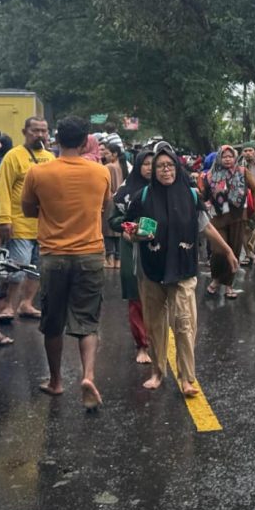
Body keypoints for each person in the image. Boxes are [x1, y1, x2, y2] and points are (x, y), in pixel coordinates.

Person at [127, 144, 237, 396]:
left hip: (184, 268)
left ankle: (187, 378)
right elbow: (128, 228)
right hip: (152, 269)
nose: (165, 170)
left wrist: (228, 251)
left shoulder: (191, 195)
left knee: (185, 324)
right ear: (153, 171)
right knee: (155, 325)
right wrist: (135, 234)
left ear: (177, 167)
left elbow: (205, 227)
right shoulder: (143, 197)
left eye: (169, 165)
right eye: (160, 166)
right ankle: (157, 372)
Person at [20, 116, 113, 410]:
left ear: (57, 140)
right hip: (90, 254)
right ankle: (88, 376)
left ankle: (56, 381)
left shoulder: (38, 172)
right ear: (86, 142)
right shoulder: (100, 173)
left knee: (53, 322)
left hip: (54, 256)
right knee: (87, 321)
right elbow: (105, 207)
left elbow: (28, 210)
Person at [0, 116, 55, 321]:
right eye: (35, 130)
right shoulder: (13, 156)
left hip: (45, 225)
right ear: (24, 132)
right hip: (19, 223)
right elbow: (3, 188)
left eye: (43, 131)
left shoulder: (50, 158)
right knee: (17, 269)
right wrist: (4, 219)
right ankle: (8, 306)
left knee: (38, 269)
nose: (40, 135)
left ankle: (27, 304)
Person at [109, 148, 155, 364]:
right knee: (136, 298)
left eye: (154, 164)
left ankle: (157, 339)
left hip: (159, 248)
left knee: (160, 297)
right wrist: (131, 226)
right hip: (132, 248)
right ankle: (142, 345)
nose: (150, 168)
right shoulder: (125, 192)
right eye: (145, 164)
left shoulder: (167, 190)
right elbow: (113, 221)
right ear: (137, 166)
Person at [202, 145, 255, 298]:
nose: (227, 159)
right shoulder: (210, 175)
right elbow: (204, 195)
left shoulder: (242, 171)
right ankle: (216, 279)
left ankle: (228, 285)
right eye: (224, 156)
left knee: (234, 251)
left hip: (238, 217)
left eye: (230, 156)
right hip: (218, 218)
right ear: (219, 158)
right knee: (219, 251)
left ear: (235, 157)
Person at [101, 143, 127, 270]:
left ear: (115, 154)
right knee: (117, 232)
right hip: (120, 200)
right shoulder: (123, 166)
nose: (104, 155)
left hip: (110, 200)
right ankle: (118, 260)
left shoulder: (109, 167)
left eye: (106, 153)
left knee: (107, 231)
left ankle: (110, 259)